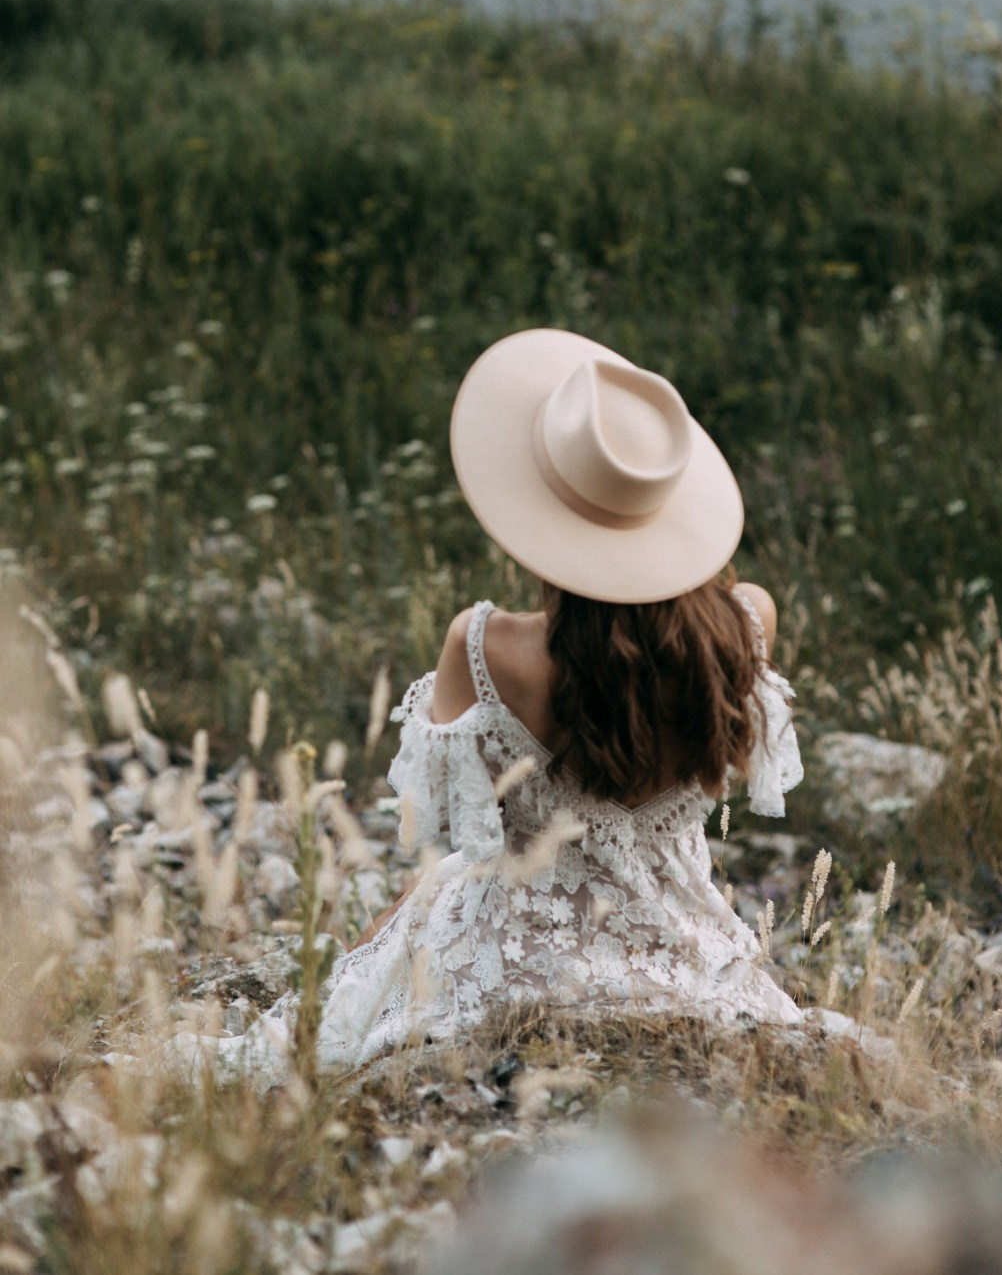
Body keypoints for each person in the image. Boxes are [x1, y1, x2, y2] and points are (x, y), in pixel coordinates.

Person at [192, 328, 803, 1081]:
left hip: (515, 962)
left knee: (348, 994)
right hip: (684, 955)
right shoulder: (748, 625)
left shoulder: (487, 649)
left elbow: (451, 830)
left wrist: (373, 946)